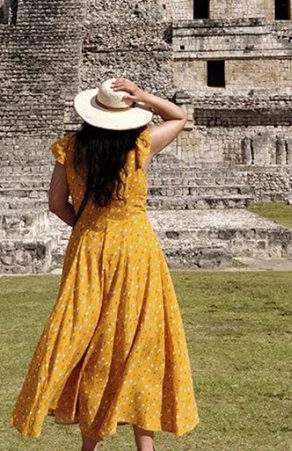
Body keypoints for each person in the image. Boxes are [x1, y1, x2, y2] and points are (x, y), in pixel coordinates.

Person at [11, 77, 199, 450]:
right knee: (140, 340)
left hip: (89, 250)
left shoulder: (71, 150)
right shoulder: (139, 145)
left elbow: (56, 204)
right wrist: (144, 96)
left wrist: (87, 226)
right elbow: (179, 117)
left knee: (89, 342)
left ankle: (89, 445)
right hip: (136, 251)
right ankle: (145, 446)